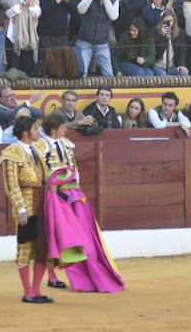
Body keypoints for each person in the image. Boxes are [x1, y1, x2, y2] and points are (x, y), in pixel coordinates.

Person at [33, 113, 125, 293]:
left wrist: (74, 186)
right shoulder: (39, 147)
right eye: (63, 127)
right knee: (52, 235)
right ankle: (52, 276)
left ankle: (76, 273)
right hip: (50, 196)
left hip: (70, 194)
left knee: (74, 234)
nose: (66, 130)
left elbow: (74, 168)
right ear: (53, 129)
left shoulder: (67, 144)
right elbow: (39, 172)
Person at [0, 115, 52, 304]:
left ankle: (37, 290)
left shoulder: (38, 149)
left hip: (42, 202)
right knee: (24, 247)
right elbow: (11, 185)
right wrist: (20, 209)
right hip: (26, 204)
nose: (39, 131)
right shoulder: (11, 152)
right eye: (35, 128)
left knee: (42, 247)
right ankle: (28, 291)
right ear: (25, 132)